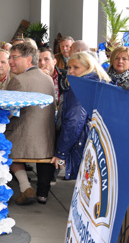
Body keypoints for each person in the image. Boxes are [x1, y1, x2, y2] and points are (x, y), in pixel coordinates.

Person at [6, 43, 56, 205]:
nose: (10, 62)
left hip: (24, 142)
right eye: (10, 58)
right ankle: (36, 191)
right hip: (46, 141)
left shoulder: (18, 81)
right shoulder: (48, 78)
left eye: (14, 57)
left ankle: (24, 186)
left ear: (28, 59)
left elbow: (8, 113)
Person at [51, 52, 110, 180]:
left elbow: (74, 122)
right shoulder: (99, 83)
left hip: (84, 143)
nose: (70, 71)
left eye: (76, 67)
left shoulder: (81, 87)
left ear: (89, 67)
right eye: (69, 67)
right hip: (100, 141)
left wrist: (61, 153)